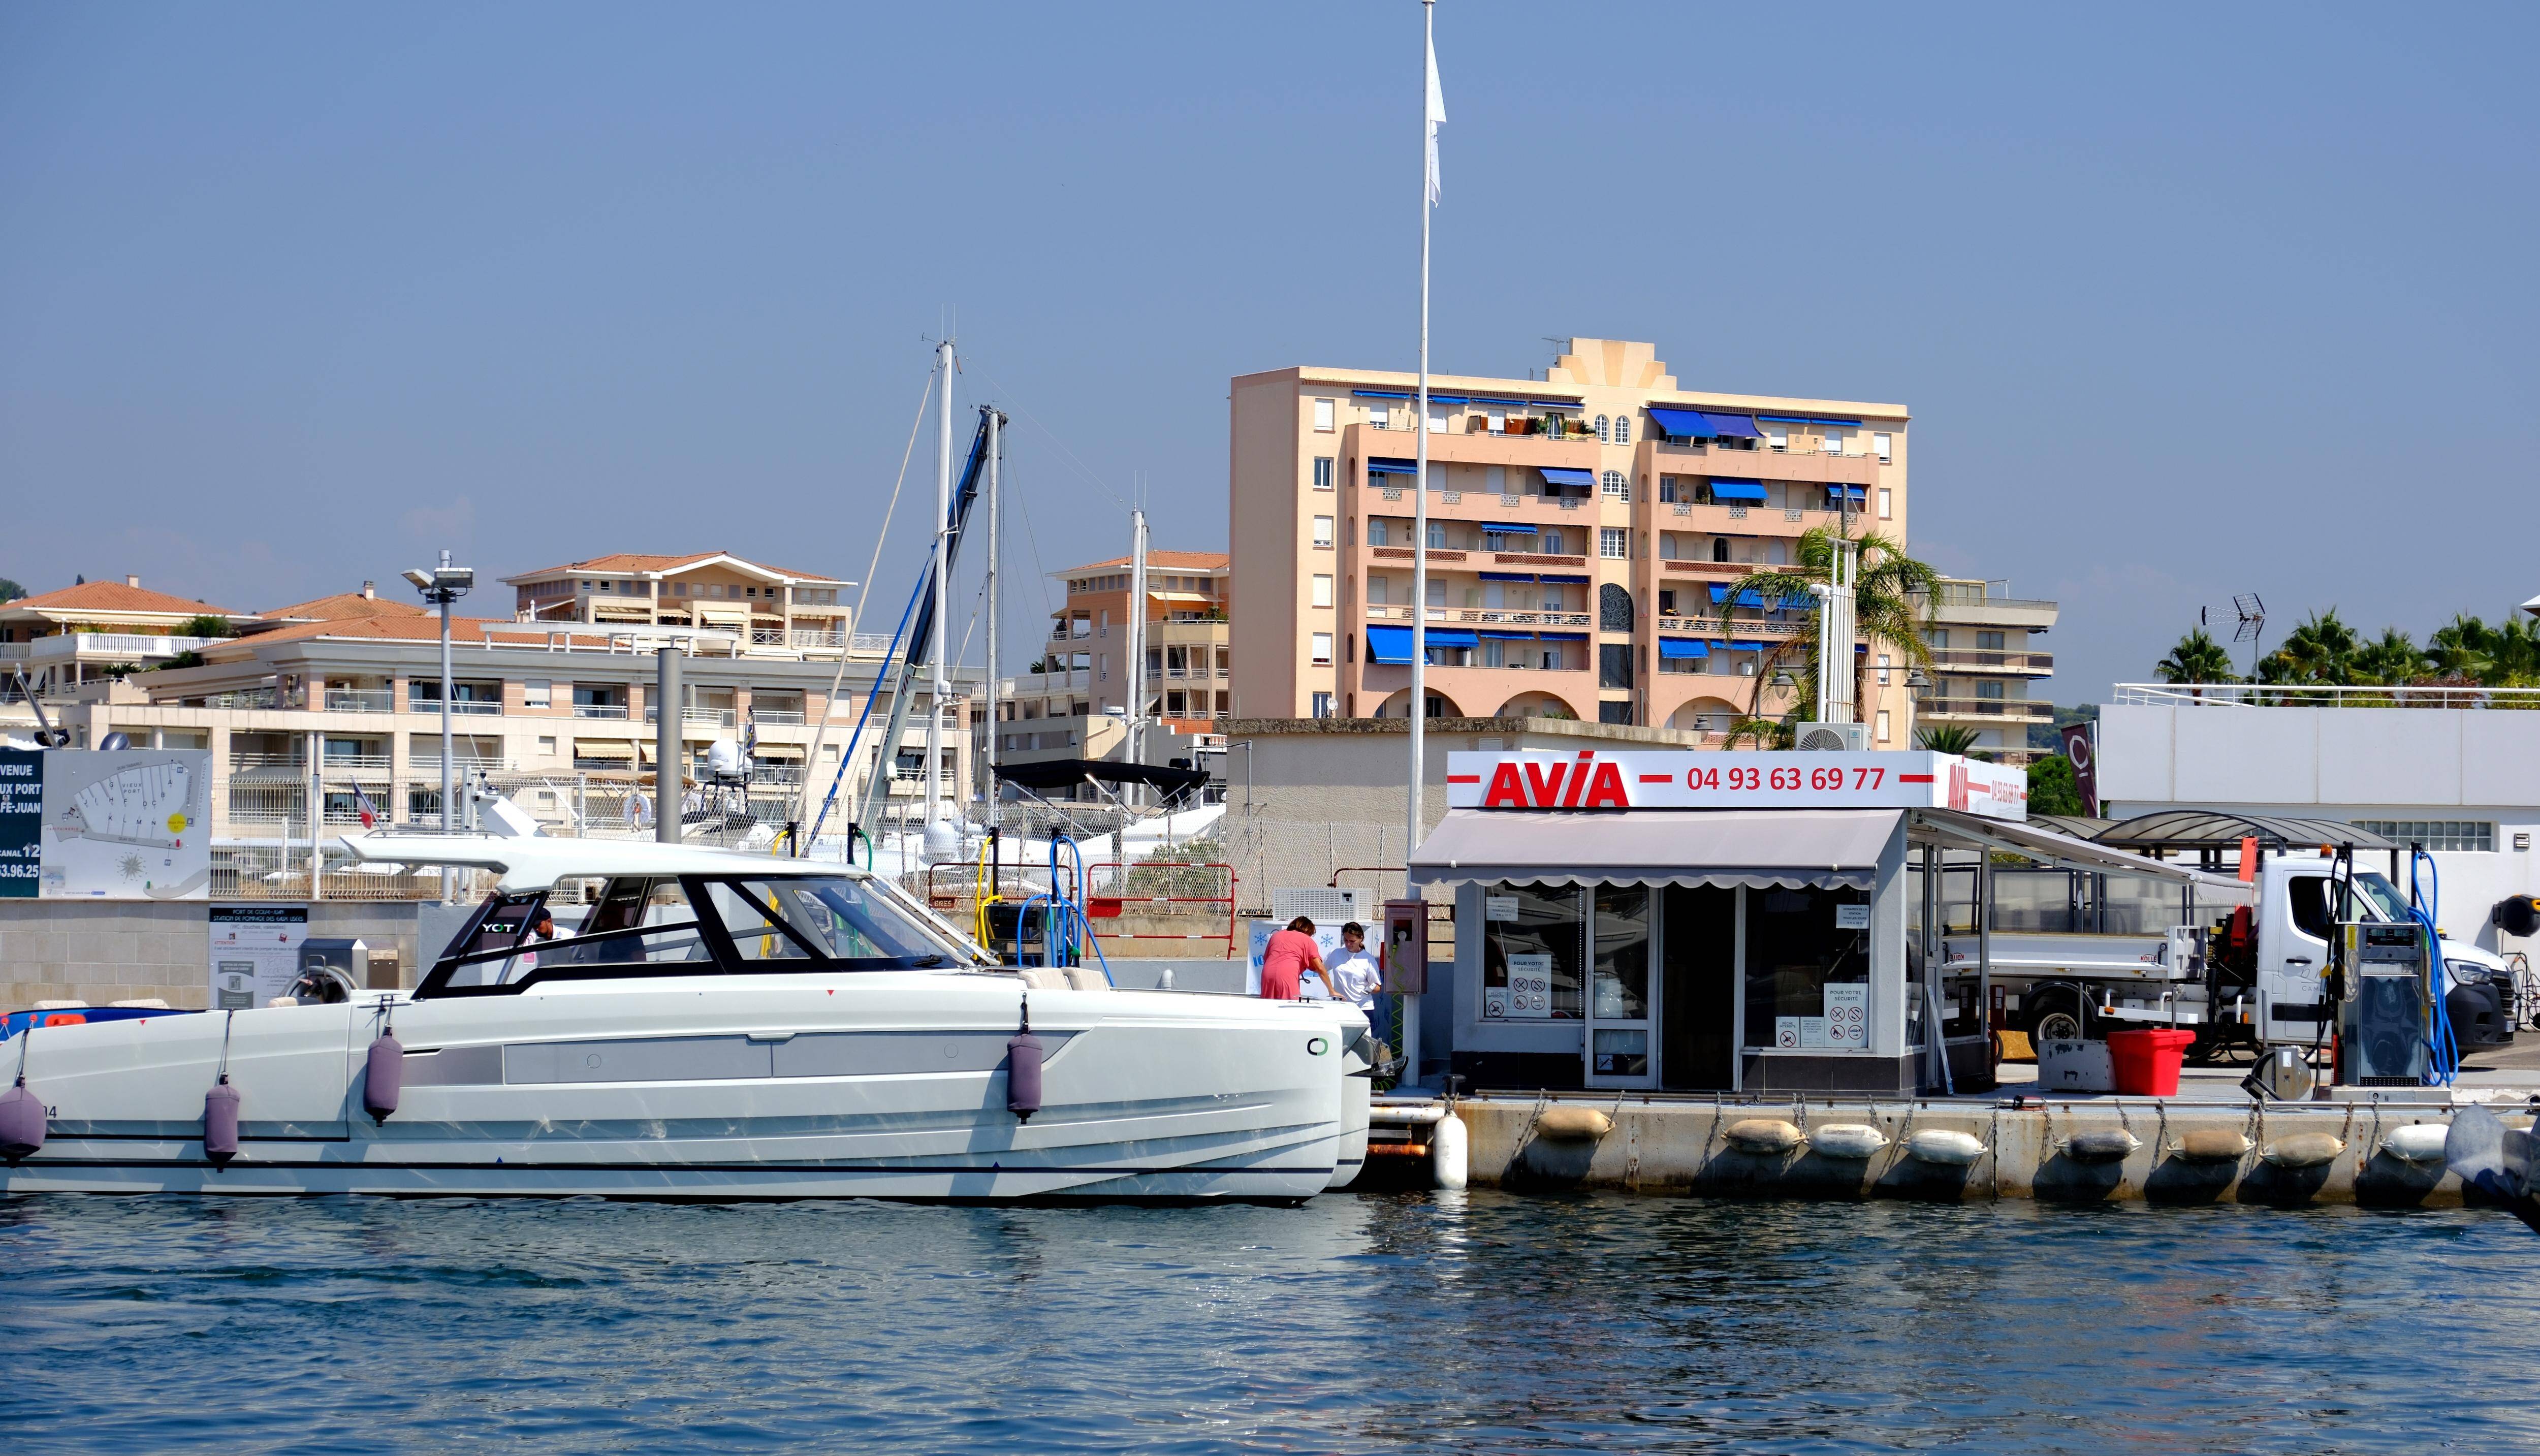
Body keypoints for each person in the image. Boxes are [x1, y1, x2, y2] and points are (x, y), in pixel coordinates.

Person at [1259, 915, 1327, 1001]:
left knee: (1268, 1007)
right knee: (1291, 1006)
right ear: (1308, 930)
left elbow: (1266, 958)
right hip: (1287, 975)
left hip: (1267, 974)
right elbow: (1319, 967)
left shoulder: (1276, 936)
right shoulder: (1307, 939)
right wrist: (1332, 991)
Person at [1325, 921, 1383, 1022]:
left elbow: (1378, 987)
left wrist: (1367, 990)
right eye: (1345, 940)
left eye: (1352, 941)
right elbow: (1321, 971)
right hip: (1339, 1007)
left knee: (1363, 1037)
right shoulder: (1335, 954)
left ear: (1361, 939)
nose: (1348, 944)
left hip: (1362, 1008)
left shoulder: (1368, 959)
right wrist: (1331, 989)